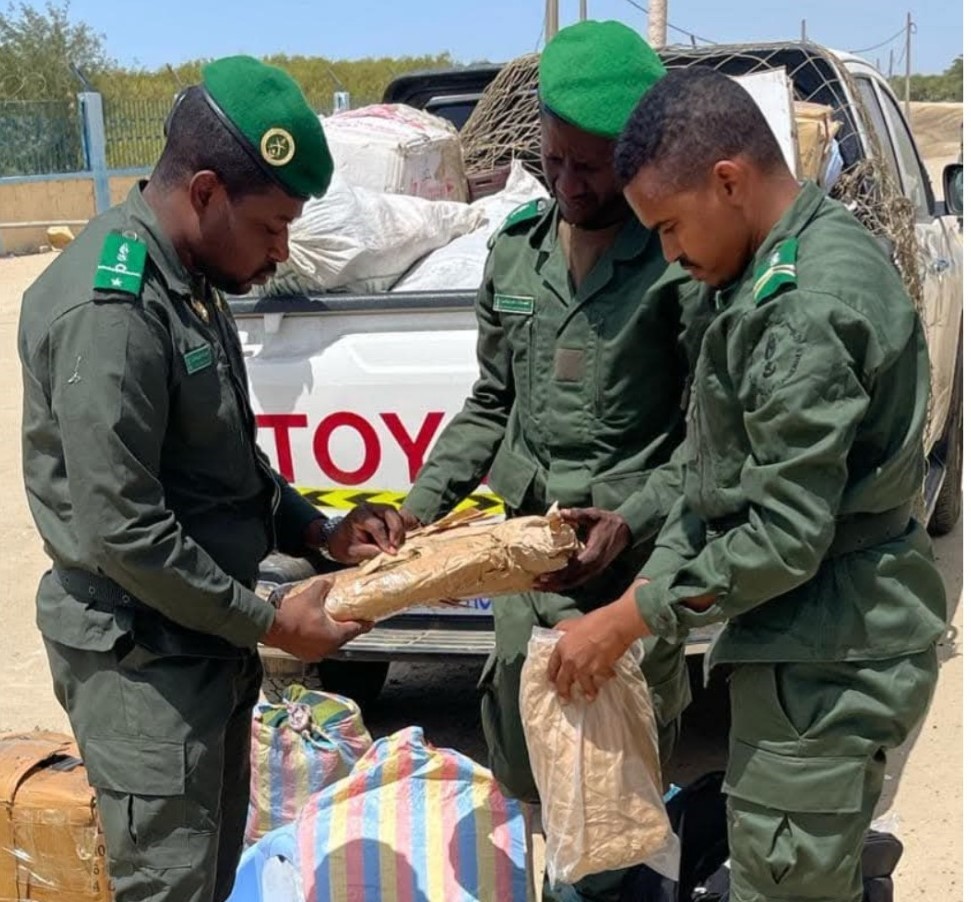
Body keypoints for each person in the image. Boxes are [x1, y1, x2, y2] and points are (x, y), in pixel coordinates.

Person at [550, 67, 947, 902]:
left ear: (726, 180)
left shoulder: (800, 308)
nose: (667, 253)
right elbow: (722, 460)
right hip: (816, 642)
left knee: (786, 883)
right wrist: (634, 519)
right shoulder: (780, 262)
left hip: (829, 655)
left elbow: (782, 532)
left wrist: (626, 619)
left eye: (667, 225)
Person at [18, 56, 406, 902]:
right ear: (203, 192)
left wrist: (314, 528)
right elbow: (123, 525)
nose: (280, 252)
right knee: (170, 887)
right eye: (271, 227)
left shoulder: (188, 278)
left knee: (211, 872)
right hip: (144, 662)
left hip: (200, 640)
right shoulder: (112, 308)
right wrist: (271, 619)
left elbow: (223, 465)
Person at [399, 20, 701, 900]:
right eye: (554, 160)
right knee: (530, 790)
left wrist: (631, 522)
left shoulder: (679, 264)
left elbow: (705, 441)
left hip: (627, 583)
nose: (569, 185)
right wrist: (418, 511)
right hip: (525, 579)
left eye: (593, 166)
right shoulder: (516, 249)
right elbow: (490, 403)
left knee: (618, 818)